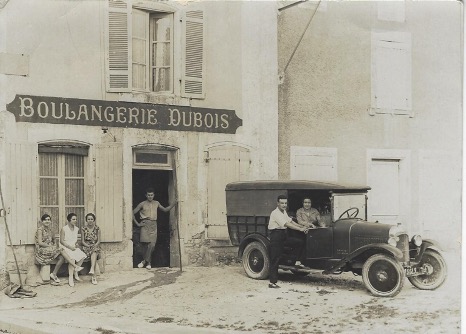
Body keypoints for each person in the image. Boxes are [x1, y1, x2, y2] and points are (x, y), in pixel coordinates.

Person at [268, 194, 310, 288]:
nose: (284, 205)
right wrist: (300, 229)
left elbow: (291, 221)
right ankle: (272, 282)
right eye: (282, 203)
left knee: (299, 242)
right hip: (276, 236)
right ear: (277, 203)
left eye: (285, 203)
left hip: (283, 235)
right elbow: (286, 224)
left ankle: (295, 262)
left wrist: (302, 226)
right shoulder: (275, 213)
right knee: (275, 258)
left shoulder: (284, 212)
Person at [132, 188, 177, 270]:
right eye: (148, 195)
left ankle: (144, 261)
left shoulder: (156, 203)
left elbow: (165, 209)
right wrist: (138, 224)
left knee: (152, 245)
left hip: (153, 224)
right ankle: (149, 263)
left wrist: (174, 203)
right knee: (145, 245)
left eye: (151, 195)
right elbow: (132, 212)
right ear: (146, 195)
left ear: (154, 195)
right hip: (145, 224)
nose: (150, 196)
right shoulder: (142, 204)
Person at [35, 214, 84, 284]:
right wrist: (51, 247)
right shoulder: (40, 230)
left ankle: (54, 274)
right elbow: (40, 243)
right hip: (42, 249)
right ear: (42, 221)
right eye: (45, 220)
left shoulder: (50, 230)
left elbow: (54, 240)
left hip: (50, 249)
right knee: (61, 249)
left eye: (48, 220)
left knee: (62, 258)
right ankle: (75, 266)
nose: (47, 221)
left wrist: (54, 245)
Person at [60, 213, 87, 287]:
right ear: (69, 220)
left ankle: (76, 273)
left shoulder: (76, 229)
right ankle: (70, 278)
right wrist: (69, 247)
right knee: (72, 259)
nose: (75, 221)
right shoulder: (64, 229)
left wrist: (76, 244)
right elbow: (61, 241)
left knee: (82, 256)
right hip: (65, 247)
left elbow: (74, 240)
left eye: (76, 219)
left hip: (73, 247)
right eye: (73, 219)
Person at [81, 213, 101, 285]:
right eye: (88, 219)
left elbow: (98, 241)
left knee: (94, 251)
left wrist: (94, 245)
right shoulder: (83, 228)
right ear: (86, 220)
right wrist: (88, 246)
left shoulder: (97, 228)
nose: (90, 221)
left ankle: (92, 270)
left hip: (95, 246)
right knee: (94, 252)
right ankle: (93, 276)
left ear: (94, 220)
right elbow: (83, 241)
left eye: (91, 219)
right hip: (86, 246)